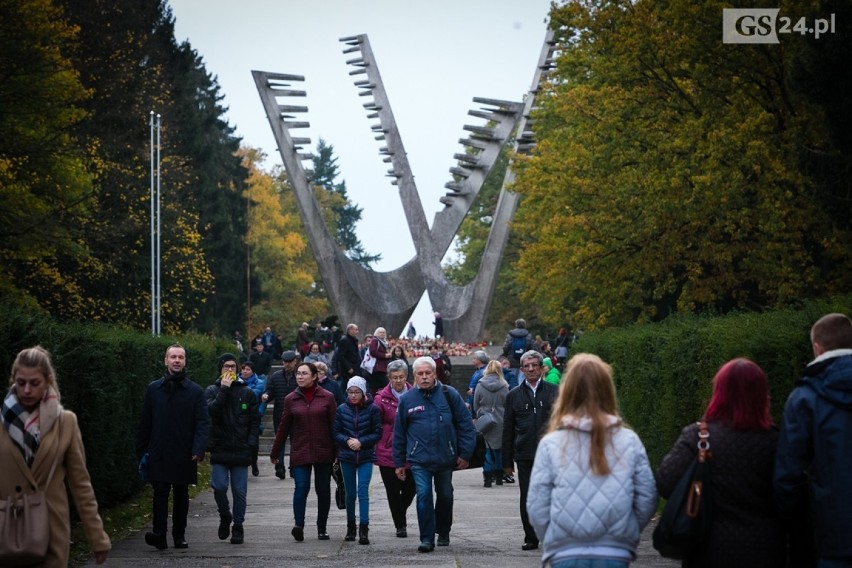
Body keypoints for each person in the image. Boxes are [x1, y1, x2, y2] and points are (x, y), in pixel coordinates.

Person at [528, 353, 658, 567]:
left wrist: (552, 537)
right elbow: (647, 496)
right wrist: (629, 531)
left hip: (565, 551)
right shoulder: (629, 440)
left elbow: (537, 504)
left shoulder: (551, 443)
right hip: (614, 550)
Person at [658, 358, 786, 567]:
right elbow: (790, 494)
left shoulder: (699, 437)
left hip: (707, 546)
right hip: (764, 548)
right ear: (762, 394)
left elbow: (666, 482)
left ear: (719, 392)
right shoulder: (776, 441)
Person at [0, 346, 111, 565]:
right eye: (21, 383)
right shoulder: (2, 423)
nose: (27, 390)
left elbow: (81, 484)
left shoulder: (65, 423)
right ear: (13, 380)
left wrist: (97, 538)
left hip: (51, 532)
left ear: (47, 381)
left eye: (35, 383)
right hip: (6, 531)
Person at [776, 312, 852, 567]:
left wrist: (792, 530)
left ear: (817, 347)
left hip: (832, 532)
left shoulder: (805, 398)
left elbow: (789, 475)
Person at [393, 356, 476, 553]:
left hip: (446, 458)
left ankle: (444, 530)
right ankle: (427, 538)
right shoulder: (407, 400)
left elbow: (466, 425)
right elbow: (399, 433)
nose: (424, 377)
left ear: (434, 374)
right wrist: (398, 463)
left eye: (427, 373)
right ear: (414, 376)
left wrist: (465, 454)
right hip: (419, 459)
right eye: (420, 374)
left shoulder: (450, 394)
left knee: (446, 496)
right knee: (423, 496)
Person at [137, 344, 210, 550]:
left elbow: (203, 423)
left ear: (185, 361)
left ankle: (179, 535)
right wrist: (141, 451)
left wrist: (198, 449)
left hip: (184, 451)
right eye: (173, 357)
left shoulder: (195, 391)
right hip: (159, 450)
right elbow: (145, 421)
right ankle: (159, 533)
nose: (177, 360)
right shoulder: (153, 389)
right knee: (160, 493)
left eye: (180, 357)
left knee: (181, 494)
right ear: (166, 360)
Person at [269, 362, 337, 541]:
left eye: (304, 373)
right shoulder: (291, 399)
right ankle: (299, 525)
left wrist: (338, 453)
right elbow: (283, 427)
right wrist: (275, 452)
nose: (300, 376)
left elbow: (334, 427)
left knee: (323, 490)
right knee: (301, 486)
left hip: (323, 450)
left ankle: (322, 528)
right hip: (300, 450)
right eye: (298, 373)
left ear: (314, 376)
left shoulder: (327, 397)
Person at [502, 349, 559, 551]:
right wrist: (506, 462)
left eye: (535, 365)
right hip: (525, 454)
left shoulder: (555, 392)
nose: (531, 369)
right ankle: (530, 537)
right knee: (527, 496)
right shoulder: (513, 396)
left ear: (542, 368)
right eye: (527, 366)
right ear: (522, 369)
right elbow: (508, 430)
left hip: (551, 455)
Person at [204, 353, 260, 545]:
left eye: (233, 367)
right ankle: (225, 514)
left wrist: (251, 443)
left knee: (239, 491)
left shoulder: (247, 392)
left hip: (241, 448)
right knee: (218, 486)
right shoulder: (212, 390)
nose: (230, 370)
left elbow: (254, 421)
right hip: (220, 446)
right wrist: (224, 390)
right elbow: (211, 411)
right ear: (220, 369)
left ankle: (238, 525)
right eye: (226, 367)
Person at [334, 376, 382, 545]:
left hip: (365, 456)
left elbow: (377, 432)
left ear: (363, 392)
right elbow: (336, 431)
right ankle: (350, 527)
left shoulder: (373, 409)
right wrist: (347, 440)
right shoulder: (341, 409)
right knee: (349, 493)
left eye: (357, 392)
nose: (353, 395)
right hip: (347, 456)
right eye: (350, 392)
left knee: (363, 490)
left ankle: (364, 528)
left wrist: (362, 442)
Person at [374, 360, 416, 537]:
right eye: (394, 378)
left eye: (401, 377)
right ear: (389, 378)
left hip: (412, 448)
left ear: (406, 376)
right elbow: (375, 423)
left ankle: (401, 511)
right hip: (388, 449)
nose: (398, 381)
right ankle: (400, 525)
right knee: (392, 491)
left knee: (411, 488)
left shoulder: (415, 394)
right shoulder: (380, 398)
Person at [262, 350, 299, 479]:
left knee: (296, 442)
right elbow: (270, 390)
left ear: (295, 362)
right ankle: (280, 467)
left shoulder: (300, 377)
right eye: (285, 362)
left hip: (297, 416)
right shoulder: (276, 376)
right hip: (280, 415)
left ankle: (294, 468)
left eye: (290, 362)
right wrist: (266, 395)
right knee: (280, 441)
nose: (287, 364)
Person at [473, 359, 510, 488]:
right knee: (499, 449)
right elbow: (508, 403)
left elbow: (475, 403)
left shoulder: (480, 384)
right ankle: (499, 476)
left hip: (485, 419)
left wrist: (479, 413)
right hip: (500, 420)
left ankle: (487, 477)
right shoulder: (504, 385)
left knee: (487, 448)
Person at [239, 359, 266, 477]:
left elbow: (259, 397)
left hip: (254, 415)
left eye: (248, 369)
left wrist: (259, 412)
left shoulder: (259, 383)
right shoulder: (235, 381)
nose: (245, 371)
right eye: (243, 369)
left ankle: (254, 463)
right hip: (239, 416)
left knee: (254, 442)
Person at [367, 327, 392, 395]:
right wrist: (384, 355)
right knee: (385, 385)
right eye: (380, 332)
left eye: (384, 332)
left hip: (381, 367)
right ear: (376, 333)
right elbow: (373, 351)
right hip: (377, 368)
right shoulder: (375, 340)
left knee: (375, 386)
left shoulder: (383, 342)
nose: (382, 334)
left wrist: (387, 356)